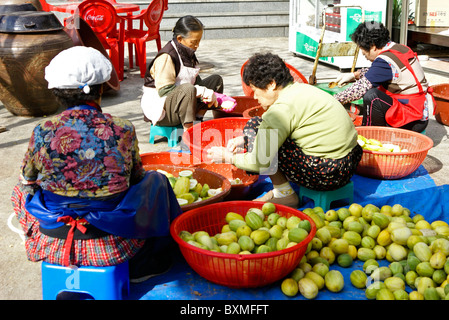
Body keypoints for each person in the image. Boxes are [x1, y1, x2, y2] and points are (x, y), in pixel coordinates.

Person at [10, 46, 182, 284]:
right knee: (156, 182)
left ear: (57, 93)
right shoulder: (122, 128)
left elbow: (27, 180)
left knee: (21, 190)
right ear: (100, 90)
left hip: (54, 237)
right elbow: (136, 178)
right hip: (112, 240)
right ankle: (146, 259)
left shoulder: (42, 130)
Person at [206, 52, 362, 209]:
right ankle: (281, 191)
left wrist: (229, 157)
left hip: (325, 175)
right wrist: (245, 140)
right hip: (349, 165)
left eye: (256, 90)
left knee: (255, 126)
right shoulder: (303, 89)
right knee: (260, 131)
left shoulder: (279, 111)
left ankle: (285, 194)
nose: (255, 97)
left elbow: (260, 162)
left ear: (271, 84)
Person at [333, 21, 434, 133]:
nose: (363, 54)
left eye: (362, 50)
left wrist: (332, 101)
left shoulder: (385, 61)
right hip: (419, 114)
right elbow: (379, 73)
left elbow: (358, 89)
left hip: (411, 120)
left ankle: (370, 135)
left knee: (372, 95)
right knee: (373, 88)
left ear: (373, 46)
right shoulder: (399, 48)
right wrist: (354, 75)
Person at [141, 15, 226, 130]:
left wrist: (207, 91)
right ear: (180, 39)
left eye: (199, 41)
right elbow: (164, 91)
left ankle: (198, 119)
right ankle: (189, 133)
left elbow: (194, 79)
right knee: (188, 89)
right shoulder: (166, 57)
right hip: (163, 112)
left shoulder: (186, 51)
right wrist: (199, 91)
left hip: (183, 103)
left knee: (216, 81)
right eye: (194, 42)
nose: (197, 46)